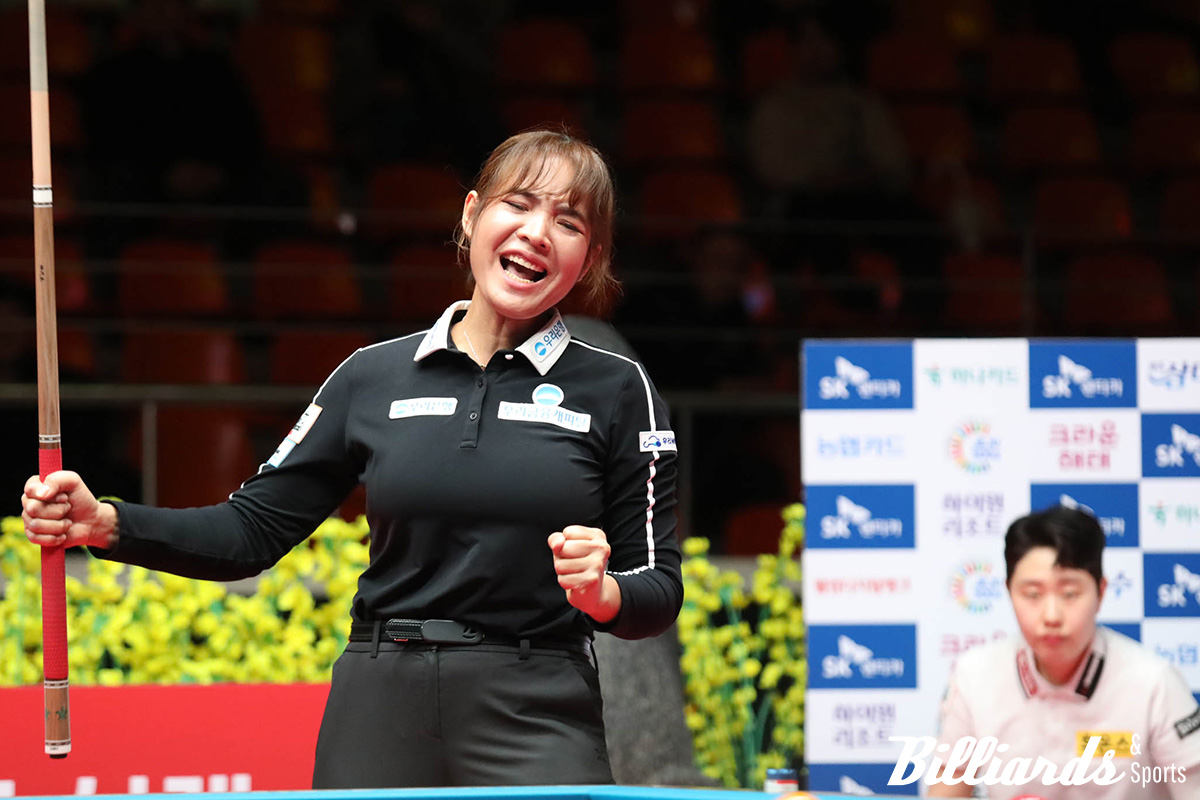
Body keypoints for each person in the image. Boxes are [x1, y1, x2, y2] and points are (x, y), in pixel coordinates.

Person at [21, 129, 684, 788]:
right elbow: (249, 532)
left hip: (538, 707)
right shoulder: (371, 378)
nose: (537, 231)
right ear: (471, 214)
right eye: (519, 204)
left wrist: (602, 594)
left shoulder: (620, 389)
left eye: (567, 221)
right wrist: (107, 524)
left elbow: (656, 589)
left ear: (588, 255)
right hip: (380, 702)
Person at [930, 506, 1200, 799]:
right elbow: (946, 791)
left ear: (1101, 591)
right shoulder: (975, 675)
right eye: (1032, 594)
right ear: (1009, 592)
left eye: (1070, 593)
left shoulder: (1154, 683)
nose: (1051, 615)